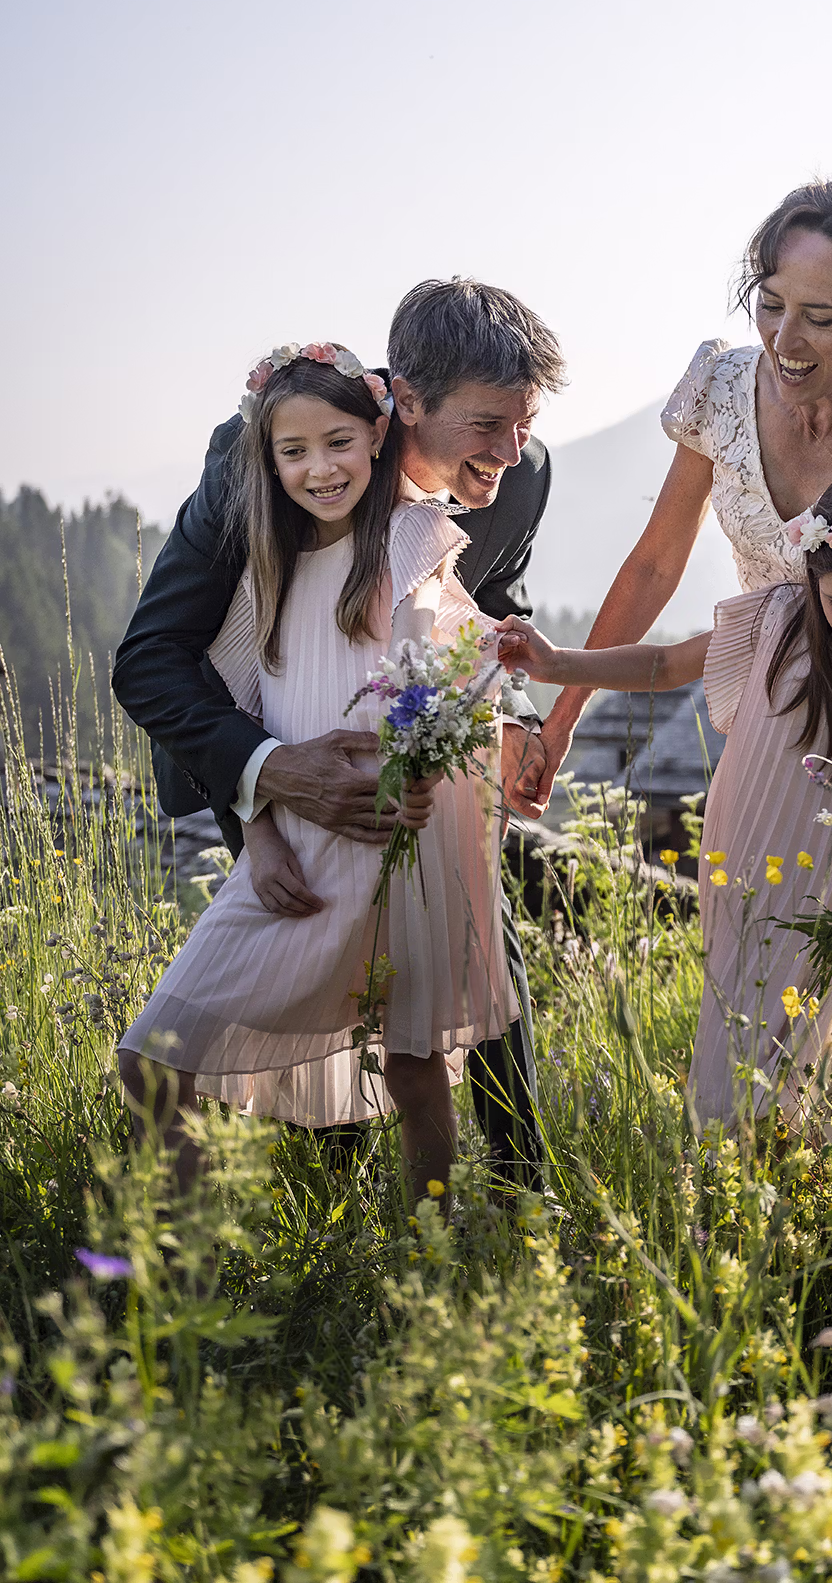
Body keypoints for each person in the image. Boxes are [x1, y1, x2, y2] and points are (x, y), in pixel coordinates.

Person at [113, 279, 565, 1189]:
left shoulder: (523, 474)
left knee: (470, 978)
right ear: (407, 402)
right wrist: (266, 788)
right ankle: (322, 1207)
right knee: (300, 993)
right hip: (276, 760)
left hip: (432, 800)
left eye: (522, 425)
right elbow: (161, 656)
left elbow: (481, 612)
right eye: (484, 427)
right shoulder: (268, 454)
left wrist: (512, 720)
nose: (509, 454)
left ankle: (519, 1194)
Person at [490, 468, 832, 1130]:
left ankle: (792, 1191)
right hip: (753, 860)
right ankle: (734, 1185)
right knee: (742, 1026)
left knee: (831, 1049)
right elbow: (666, 666)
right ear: (814, 580)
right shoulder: (777, 619)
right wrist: (559, 665)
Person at [531, 174, 832, 807]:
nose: (784, 340)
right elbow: (655, 564)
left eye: (821, 318)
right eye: (772, 305)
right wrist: (560, 724)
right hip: (767, 720)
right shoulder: (720, 387)